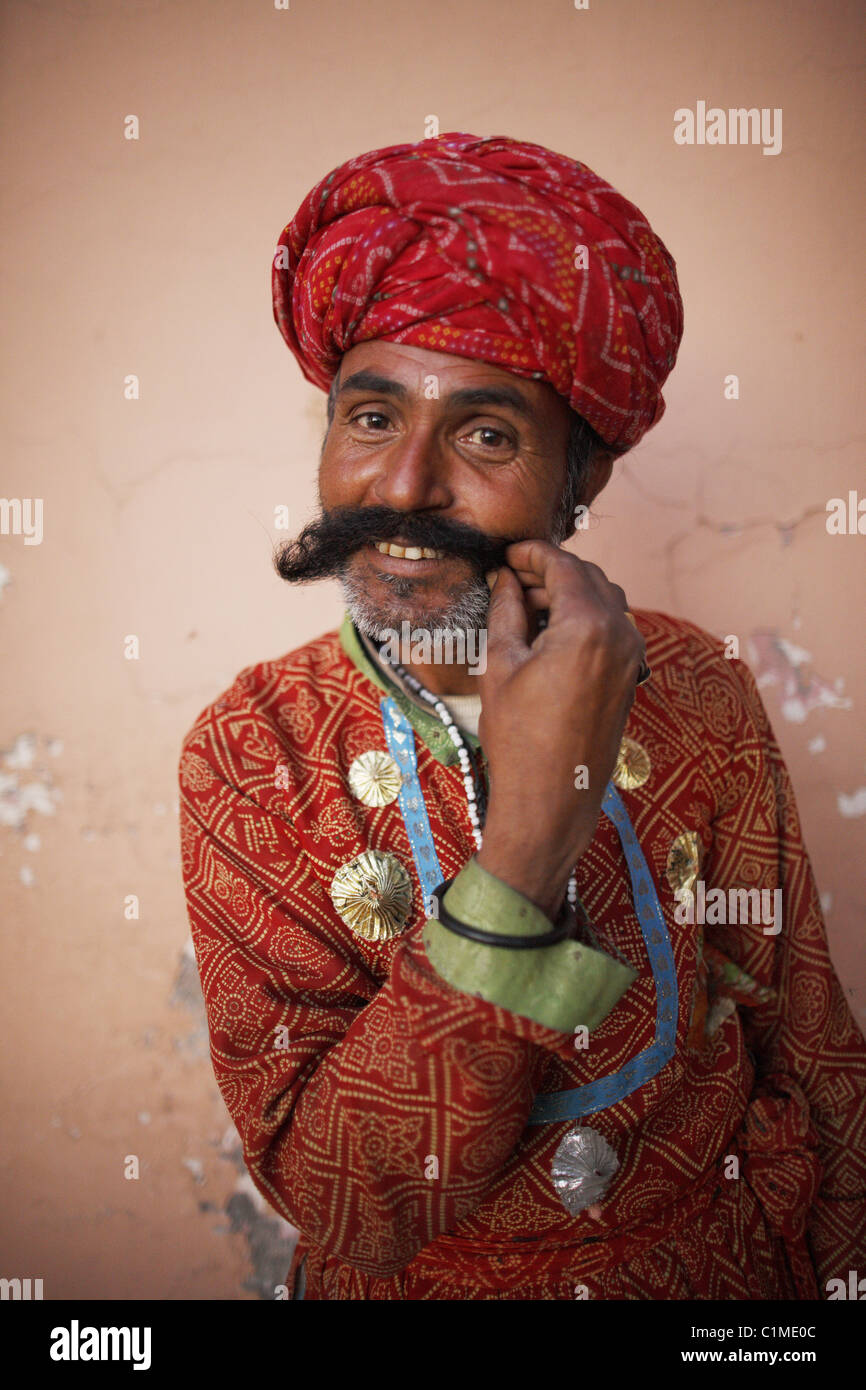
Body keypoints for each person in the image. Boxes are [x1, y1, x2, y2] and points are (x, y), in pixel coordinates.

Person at [178, 131, 866, 1300]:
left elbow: (808, 1042)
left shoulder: (694, 681)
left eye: (486, 434)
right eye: (371, 417)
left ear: (580, 477)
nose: (402, 487)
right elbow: (340, 1203)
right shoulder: (254, 750)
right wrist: (527, 848)